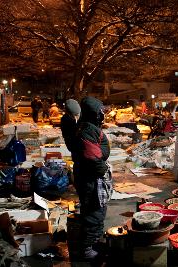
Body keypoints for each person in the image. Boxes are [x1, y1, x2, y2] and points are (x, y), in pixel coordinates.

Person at [73, 96, 112, 260]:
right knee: (94, 212)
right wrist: (103, 169)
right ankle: (88, 249)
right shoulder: (88, 129)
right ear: (94, 113)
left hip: (89, 176)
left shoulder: (89, 127)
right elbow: (92, 156)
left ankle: (93, 242)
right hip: (91, 178)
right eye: (101, 111)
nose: (103, 114)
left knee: (95, 210)